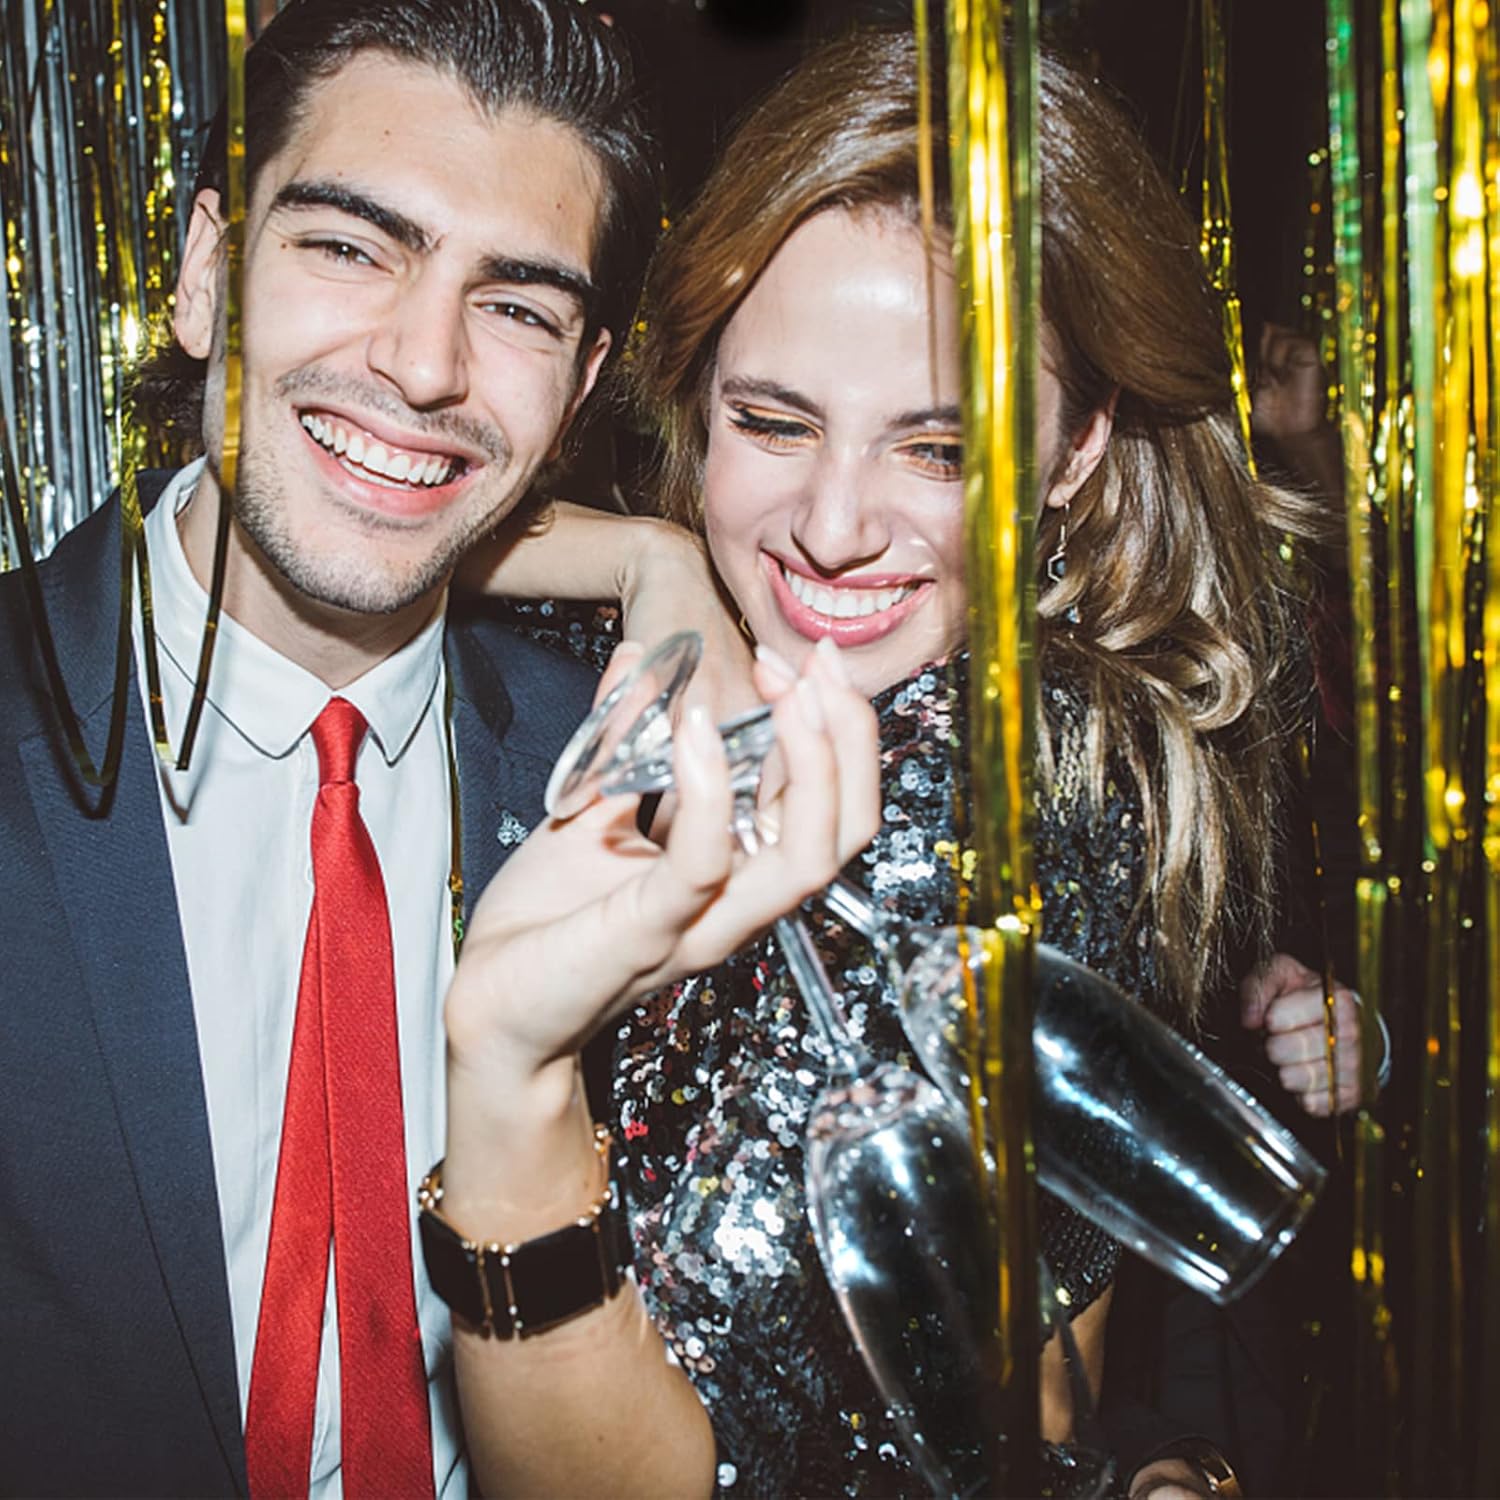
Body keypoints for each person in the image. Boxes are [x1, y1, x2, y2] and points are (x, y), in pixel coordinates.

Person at [434, 26, 1342, 1500]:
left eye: (940, 451)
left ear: (1076, 451)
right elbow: (363, 495)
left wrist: (512, 1090)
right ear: (692, 399)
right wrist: (651, 558)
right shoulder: (742, 660)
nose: (834, 526)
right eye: (773, 421)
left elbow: (689, 1475)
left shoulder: (983, 803)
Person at [0, 1, 781, 1493]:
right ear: (205, 275)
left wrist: (663, 563)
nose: (425, 365)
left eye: (519, 309)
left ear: (580, 388)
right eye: (351, 246)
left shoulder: (634, 788)